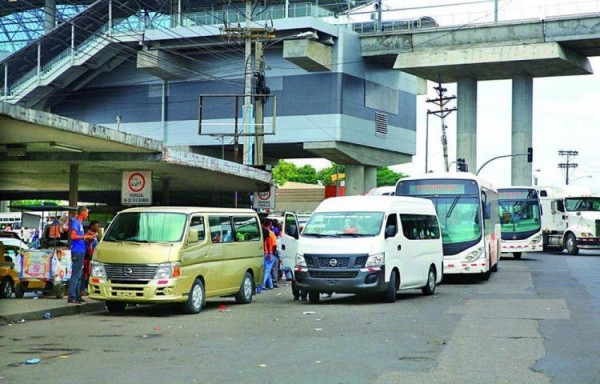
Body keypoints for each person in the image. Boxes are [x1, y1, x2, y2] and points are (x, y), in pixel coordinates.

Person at [67, 206, 95, 305]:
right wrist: (85, 236)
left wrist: (88, 237)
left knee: (79, 274)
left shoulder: (80, 224)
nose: (87, 215)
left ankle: (77, 296)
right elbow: (73, 236)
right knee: (76, 274)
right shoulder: (76, 223)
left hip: (81, 251)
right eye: (87, 212)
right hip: (77, 251)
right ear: (82, 212)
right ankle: (71, 296)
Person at [82, 220, 99, 297]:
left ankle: (87, 288)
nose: (97, 227)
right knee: (86, 274)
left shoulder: (96, 235)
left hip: (92, 257)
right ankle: (84, 289)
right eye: (96, 226)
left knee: (90, 274)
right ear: (92, 226)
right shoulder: (88, 235)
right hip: (87, 258)